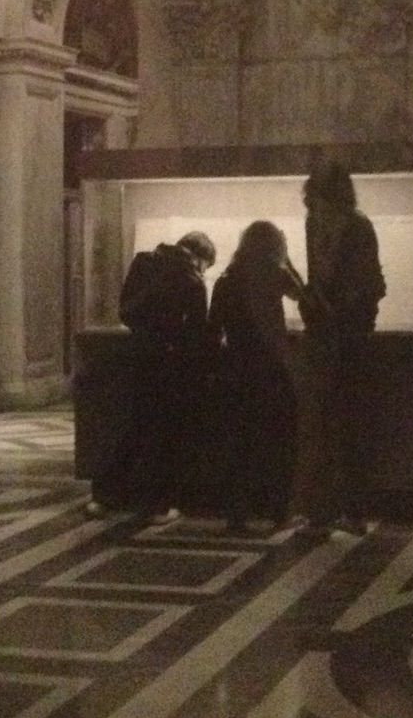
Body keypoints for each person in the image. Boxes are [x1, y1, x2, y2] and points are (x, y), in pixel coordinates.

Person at [300, 164, 385, 535]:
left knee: (348, 423)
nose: (313, 208)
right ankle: (323, 509)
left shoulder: (358, 227)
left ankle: (352, 509)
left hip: (349, 339)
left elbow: (371, 284)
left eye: (317, 199)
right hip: (323, 335)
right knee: (322, 425)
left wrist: (344, 309)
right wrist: (311, 302)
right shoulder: (314, 226)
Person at [208, 220, 305, 532]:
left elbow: (213, 327)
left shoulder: (227, 278)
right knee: (278, 441)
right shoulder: (274, 275)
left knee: (239, 444)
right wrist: (287, 260)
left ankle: (236, 514)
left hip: (236, 370)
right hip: (272, 369)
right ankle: (279, 511)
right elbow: (303, 295)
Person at [113, 229, 216, 520]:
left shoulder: (143, 262)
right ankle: (162, 503)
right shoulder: (193, 280)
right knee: (169, 436)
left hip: (139, 357)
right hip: (173, 365)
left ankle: (111, 497)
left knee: (135, 428)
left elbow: (126, 311)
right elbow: (198, 332)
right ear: (201, 259)